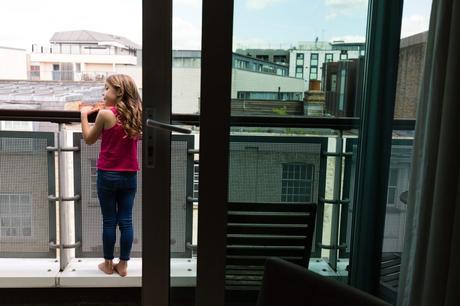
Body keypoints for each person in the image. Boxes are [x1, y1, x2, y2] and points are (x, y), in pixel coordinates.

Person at [80, 74, 142, 277]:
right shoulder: (137, 114)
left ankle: (107, 264)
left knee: (109, 220)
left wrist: (83, 115)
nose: (103, 93)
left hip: (107, 175)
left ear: (119, 92)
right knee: (126, 220)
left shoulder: (105, 114)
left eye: (106, 89)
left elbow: (89, 139)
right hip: (130, 175)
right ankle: (123, 265)